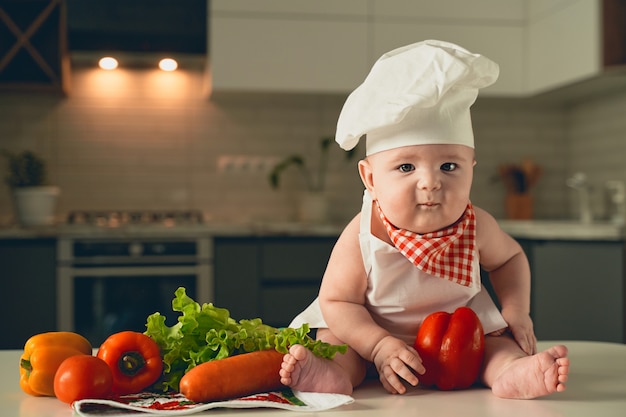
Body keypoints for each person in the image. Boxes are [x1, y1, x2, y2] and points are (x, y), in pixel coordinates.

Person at [279, 40, 569, 400]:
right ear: (370, 179)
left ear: (471, 170)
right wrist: (378, 346)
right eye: (406, 167)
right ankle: (334, 376)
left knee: (496, 346)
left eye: (449, 166)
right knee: (337, 343)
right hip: (370, 335)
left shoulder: (476, 225)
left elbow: (510, 259)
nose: (431, 181)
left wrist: (516, 311)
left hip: (456, 341)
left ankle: (510, 372)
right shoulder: (364, 232)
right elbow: (337, 303)